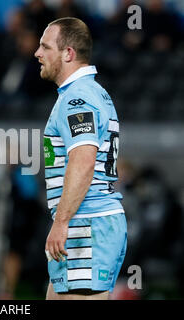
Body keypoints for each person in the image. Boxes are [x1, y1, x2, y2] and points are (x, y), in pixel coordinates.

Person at [34, 17, 127, 300]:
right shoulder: (86, 93)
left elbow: (84, 161)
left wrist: (61, 221)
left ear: (68, 53)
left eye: (45, 47)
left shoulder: (79, 98)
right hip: (86, 223)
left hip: (87, 225)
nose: (37, 53)